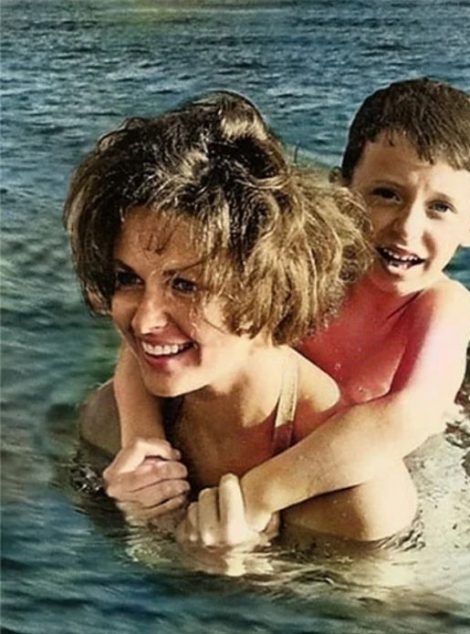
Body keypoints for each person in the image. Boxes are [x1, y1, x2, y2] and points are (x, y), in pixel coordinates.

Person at [107, 78, 470, 546]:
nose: (407, 227)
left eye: (440, 208)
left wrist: (258, 495)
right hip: (299, 419)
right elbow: (149, 340)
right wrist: (143, 440)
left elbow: (403, 417)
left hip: (391, 445)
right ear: (343, 191)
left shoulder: (441, 306)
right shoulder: (314, 263)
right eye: (386, 194)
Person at [65, 91, 418, 544]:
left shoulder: (360, 502)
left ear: (268, 285)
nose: (145, 321)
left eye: (185, 285)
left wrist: (252, 571)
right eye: (127, 278)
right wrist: (143, 526)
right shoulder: (109, 422)